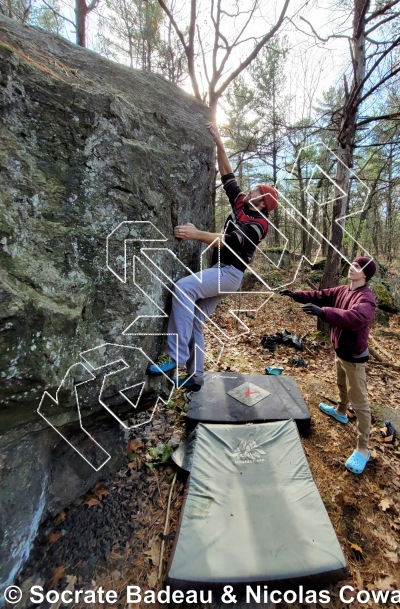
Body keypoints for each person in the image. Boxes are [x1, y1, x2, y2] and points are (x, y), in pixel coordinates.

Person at [147, 121, 278, 390]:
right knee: (194, 320)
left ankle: (175, 357)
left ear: (263, 202)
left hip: (229, 274)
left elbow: (230, 241)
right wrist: (219, 141)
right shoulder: (242, 204)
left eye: (256, 191)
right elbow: (228, 175)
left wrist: (196, 234)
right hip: (222, 274)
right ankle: (196, 378)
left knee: (183, 289)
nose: (250, 190)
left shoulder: (259, 225)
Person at [281, 256, 377, 475]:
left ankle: (363, 448)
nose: (352, 268)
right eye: (353, 264)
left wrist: (324, 312)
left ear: (365, 275)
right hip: (340, 352)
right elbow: (321, 295)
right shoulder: (344, 290)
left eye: (358, 267)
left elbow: (355, 318)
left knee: (360, 402)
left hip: (354, 358)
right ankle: (341, 411)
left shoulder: (367, 299)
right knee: (341, 386)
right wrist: (296, 295)